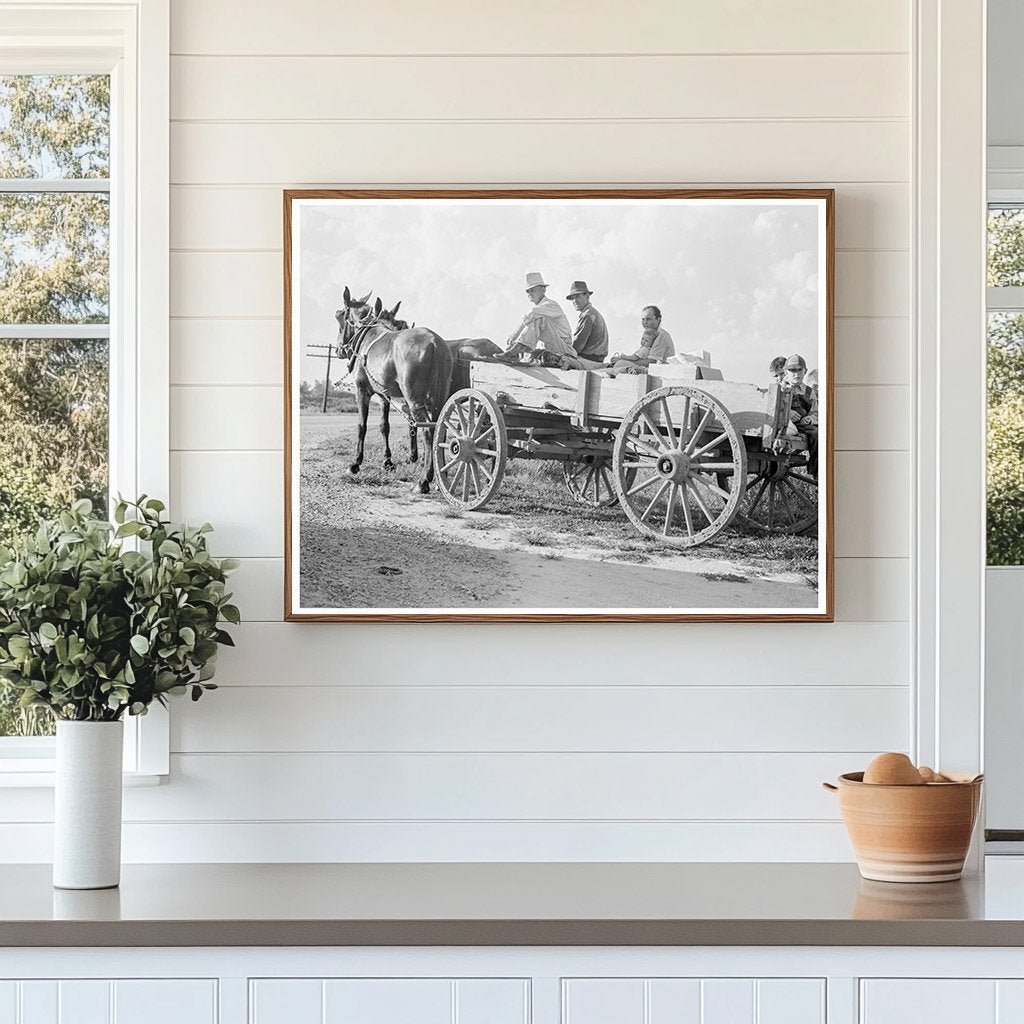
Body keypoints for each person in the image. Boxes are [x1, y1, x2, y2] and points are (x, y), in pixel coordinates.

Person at [502, 272, 573, 362]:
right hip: (552, 348)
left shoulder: (551, 305)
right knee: (535, 320)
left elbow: (531, 314)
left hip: (564, 349)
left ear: (543, 290)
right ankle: (518, 351)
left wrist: (514, 336)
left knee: (538, 318)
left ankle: (516, 349)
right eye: (528, 291)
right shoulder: (541, 308)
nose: (529, 293)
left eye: (533, 290)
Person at [607, 305, 675, 374]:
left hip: (658, 371)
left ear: (658, 319)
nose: (644, 322)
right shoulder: (650, 333)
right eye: (643, 319)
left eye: (648, 319)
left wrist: (623, 360)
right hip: (646, 367)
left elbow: (652, 362)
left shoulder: (661, 335)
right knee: (616, 364)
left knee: (621, 363)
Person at [782, 353, 818, 477]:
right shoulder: (781, 388)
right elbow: (772, 409)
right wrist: (787, 413)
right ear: (786, 372)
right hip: (784, 424)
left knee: (817, 433)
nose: (796, 374)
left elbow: (816, 411)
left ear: (805, 371)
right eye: (792, 370)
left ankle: (816, 470)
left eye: (799, 370)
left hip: (802, 425)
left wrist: (810, 419)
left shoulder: (809, 391)